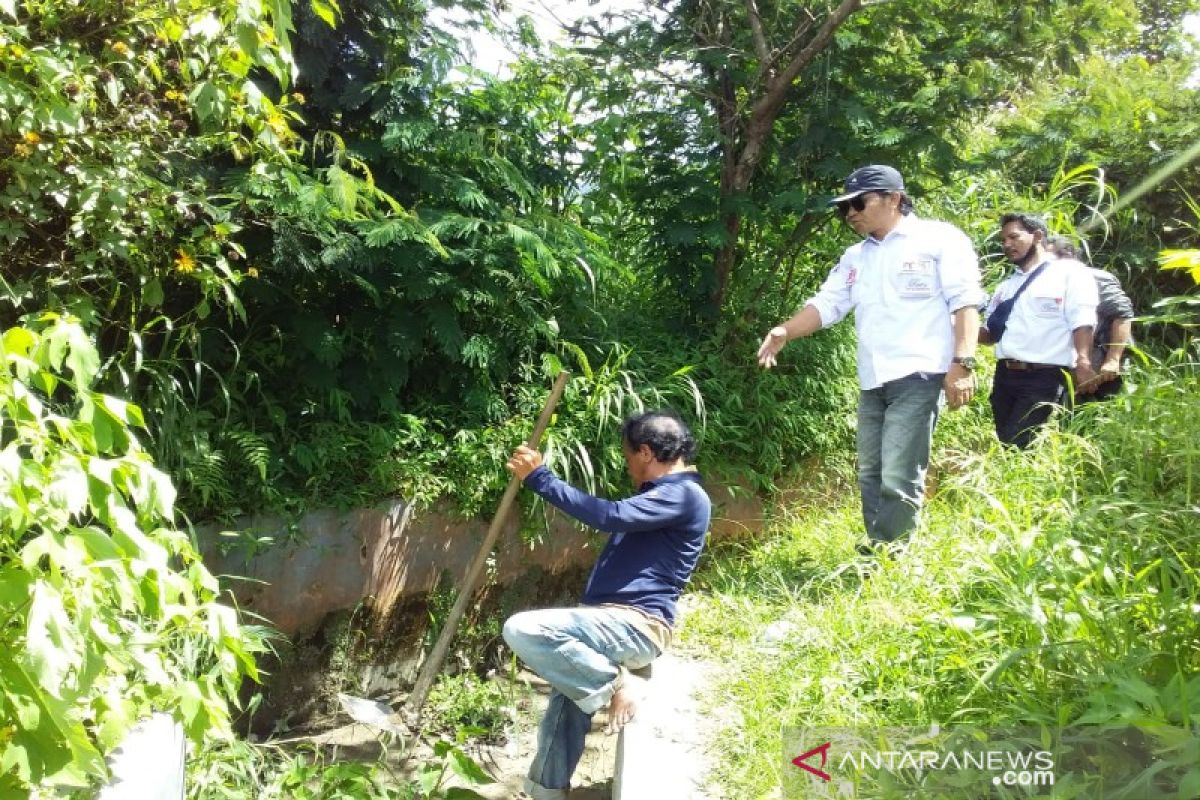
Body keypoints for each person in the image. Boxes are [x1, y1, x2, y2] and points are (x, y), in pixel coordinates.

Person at [757, 165, 983, 546]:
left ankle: (892, 554)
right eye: (843, 208)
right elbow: (827, 304)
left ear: (894, 199)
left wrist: (963, 363)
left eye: (858, 203)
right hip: (873, 378)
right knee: (870, 472)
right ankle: (880, 545)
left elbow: (966, 303)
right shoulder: (855, 257)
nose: (850, 214)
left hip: (920, 372)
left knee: (898, 471)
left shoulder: (939, 240)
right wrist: (785, 331)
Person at [501, 410, 711, 800]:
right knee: (563, 709)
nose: (629, 465)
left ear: (645, 452)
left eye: (630, 456)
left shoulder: (683, 494)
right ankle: (544, 792)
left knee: (523, 629)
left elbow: (608, 516)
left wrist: (539, 478)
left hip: (636, 625)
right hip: (610, 623)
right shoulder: (663, 496)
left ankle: (617, 681)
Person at [981, 215, 1099, 448]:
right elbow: (989, 335)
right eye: (1003, 239)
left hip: (1043, 376)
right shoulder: (1007, 286)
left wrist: (1083, 362)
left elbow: (1082, 320)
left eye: (1014, 237)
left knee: (1018, 443)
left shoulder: (1069, 274)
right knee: (1006, 444)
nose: (1007, 244)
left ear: (1037, 236)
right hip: (1004, 376)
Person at [1045, 235, 1135, 402]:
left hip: (1100, 367)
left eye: (1049, 258)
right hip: (1063, 368)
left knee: (1100, 417)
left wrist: (1113, 360)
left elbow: (1122, 315)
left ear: (1068, 257)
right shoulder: (1044, 284)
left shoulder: (1094, 278)